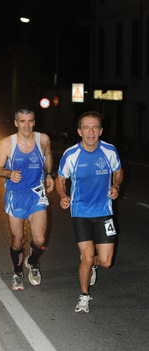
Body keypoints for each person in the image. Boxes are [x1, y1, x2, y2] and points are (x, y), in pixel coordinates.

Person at [55, 110, 123, 313]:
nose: (91, 131)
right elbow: (60, 180)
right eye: (86, 127)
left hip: (104, 212)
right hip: (81, 212)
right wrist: (63, 196)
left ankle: (93, 264)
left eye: (95, 127)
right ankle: (84, 296)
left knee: (106, 262)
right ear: (79, 131)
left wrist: (116, 186)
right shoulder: (71, 154)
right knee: (86, 256)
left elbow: (118, 171)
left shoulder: (110, 151)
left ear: (101, 131)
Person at [0, 105, 54, 290]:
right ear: (16, 123)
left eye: (30, 121)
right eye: (22, 121)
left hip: (36, 193)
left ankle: (32, 262)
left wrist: (50, 174)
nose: (26, 125)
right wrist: (9, 173)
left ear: (34, 122)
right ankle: (17, 272)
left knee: (40, 239)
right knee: (17, 239)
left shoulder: (43, 139)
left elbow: (48, 155)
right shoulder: (6, 143)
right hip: (16, 195)